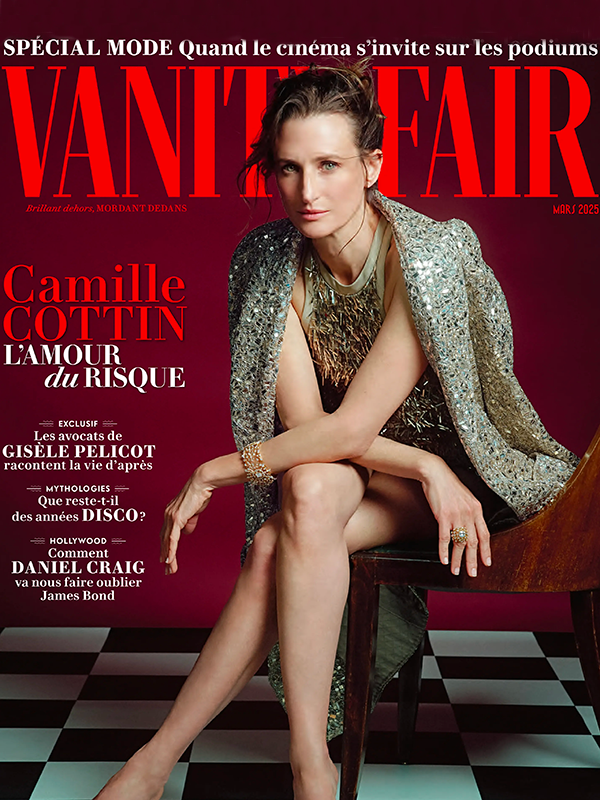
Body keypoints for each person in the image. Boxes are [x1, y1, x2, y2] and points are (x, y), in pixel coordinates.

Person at [94, 63, 578, 800]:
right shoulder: (267, 263)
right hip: (390, 472)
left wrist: (212, 471)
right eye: (288, 168)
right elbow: (313, 431)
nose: (306, 191)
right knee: (305, 497)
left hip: (472, 481)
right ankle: (294, 765)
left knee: (289, 519)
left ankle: (160, 766)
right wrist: (420, 466)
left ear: (372, 166)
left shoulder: (428, 257)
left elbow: (350, 426)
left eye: (329, 165)